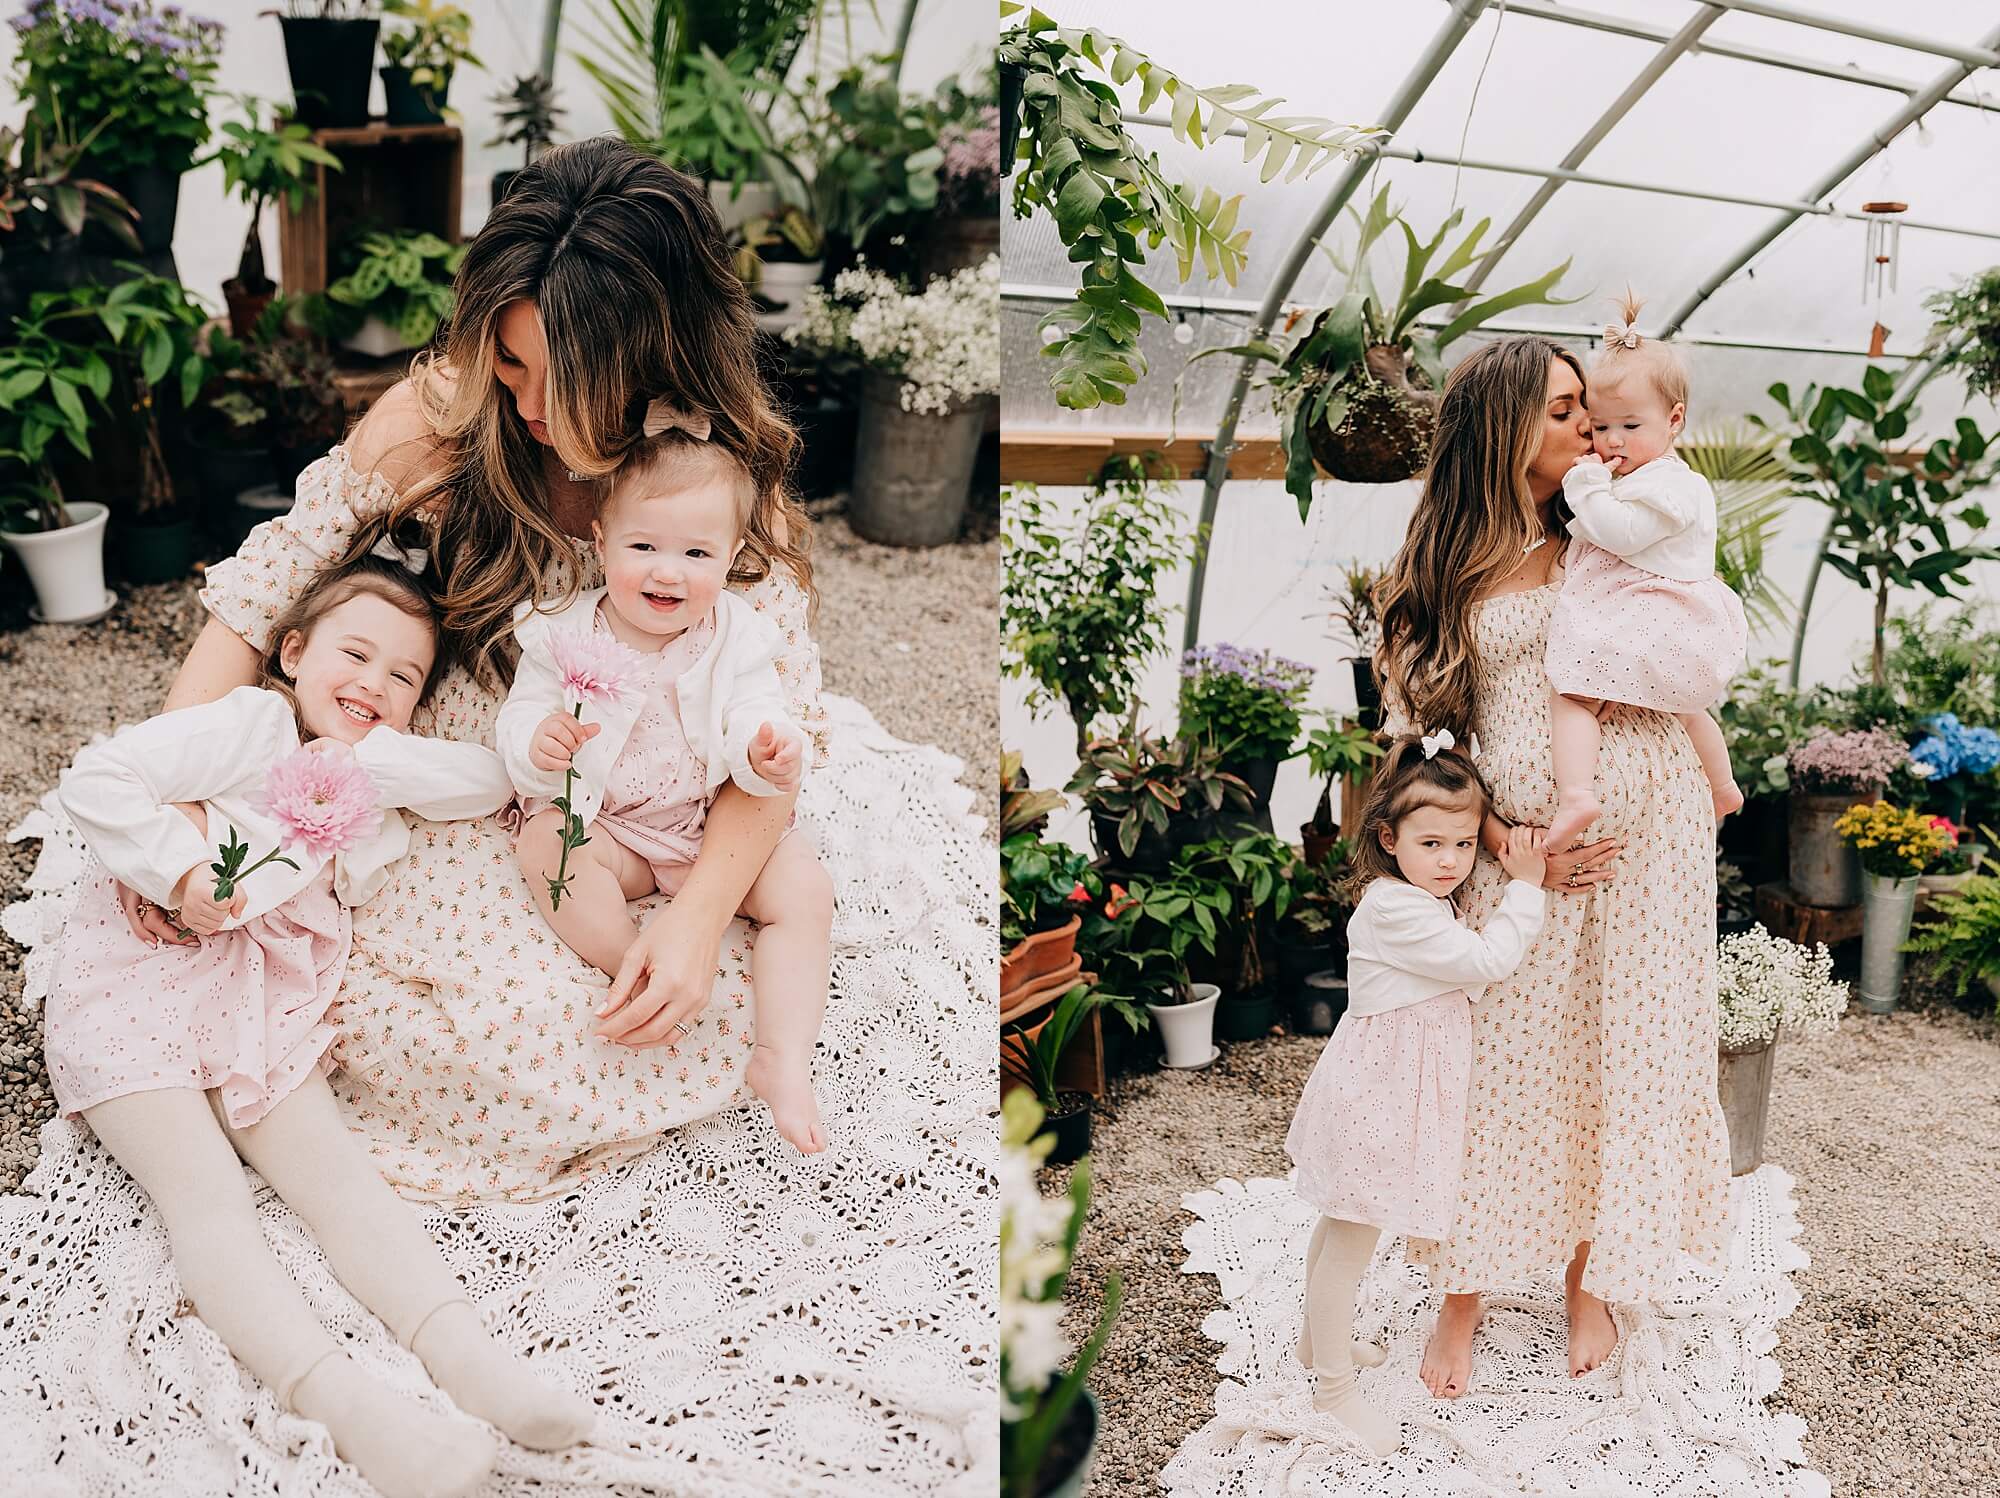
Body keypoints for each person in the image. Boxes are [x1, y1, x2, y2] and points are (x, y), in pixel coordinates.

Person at [123, 137, 829, 1200]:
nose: (533, 405)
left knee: (724, 975)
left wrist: (690, 921)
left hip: (680, 772)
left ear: (659, 356)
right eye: (511, 363)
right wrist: (175, 798)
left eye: (569, 377)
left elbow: (770, 743)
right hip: (493, 763)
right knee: (435, 1015)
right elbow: (255, 600)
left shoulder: (712, 484)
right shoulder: (438, 426)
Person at [45, 544, 596, 1498]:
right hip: (137, 978)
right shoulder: (251, 725)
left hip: (261, 997)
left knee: (338, 1182)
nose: (375, 682)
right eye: (355, 654)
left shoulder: (366, 767)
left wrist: (371, 753)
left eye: (403, 676)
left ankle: (469, 1360)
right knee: (207, 1198)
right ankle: (350, 1406)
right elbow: (98, 778)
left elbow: (484, 781)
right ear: (293, 652)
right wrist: (174, 866)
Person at [1372, 336, 1733, 1399]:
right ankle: (1461, 1299)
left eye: (1592, 410)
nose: (1590, 428)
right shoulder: (1446, 563)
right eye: (1565, 410)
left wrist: (1699, 749)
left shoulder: (1613, 531)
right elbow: (1420, 745)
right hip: (1523, 856)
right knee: (1499, 1069)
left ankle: (1594, 1275)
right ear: (1503, 427)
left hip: (1648, 839)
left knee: (1625, 1051)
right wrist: (1501, 844)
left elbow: (1680, 657)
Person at [499, 424, 833, 1153]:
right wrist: (537, 742)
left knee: (805, 890)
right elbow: (521, 713)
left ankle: (782, 1056)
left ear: (733, 557)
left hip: (705, 823)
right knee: (546, 845)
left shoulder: (735, 635)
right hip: (615, 829)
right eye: (643, 547)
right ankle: (632, 964)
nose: (668, 573)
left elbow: (754, 710)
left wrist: (764, 751)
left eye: (696, 554)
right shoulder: (563, 633)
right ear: (599, 539)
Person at [1286, 733, 1548, 1455]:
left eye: (1465, 844)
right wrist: (1525, 885)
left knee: (1342, 1225)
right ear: (1386, 837)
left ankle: (1316, 1348)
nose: (1451, 860)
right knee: (1349, 1241)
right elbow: (1488, 961)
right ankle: (1333, 1389)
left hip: (1391, 1089)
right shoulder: (1393, 908)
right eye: (1431, 842)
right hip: (1377, 1096)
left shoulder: (1419, 900)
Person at [1544, 291, 1748, 852]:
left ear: (1675, 419)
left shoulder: (1668, 483)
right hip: (1656, 608)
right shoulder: (1646, 474)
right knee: (1683, 707)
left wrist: (1584, 486)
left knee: (1574, 690)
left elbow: (1622, 534)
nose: (1611, 441)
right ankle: (1724, 785)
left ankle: (1577, 794)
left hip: (1659, 608)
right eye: (1601, 426)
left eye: (1630, 426)